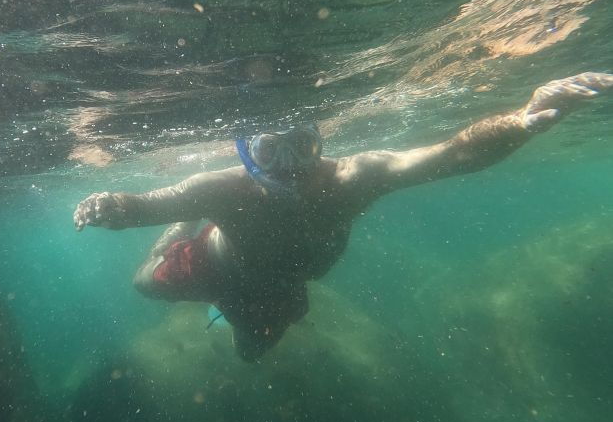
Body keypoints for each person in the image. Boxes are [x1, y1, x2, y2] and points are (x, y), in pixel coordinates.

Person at [73, 72, 612, 361]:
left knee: (252, 357)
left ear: (320, 145)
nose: (285, 168)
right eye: (268, 151)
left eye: (300, 148)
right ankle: (183, 234)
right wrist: (106, 206)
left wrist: (523, 120)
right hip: (214, 266)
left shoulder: (355, 178)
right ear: (245, 151)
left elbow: (454, 154)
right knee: (145, 283)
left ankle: (220, 291)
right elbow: (141, 206)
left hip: (278, 287)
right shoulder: (221, 188)